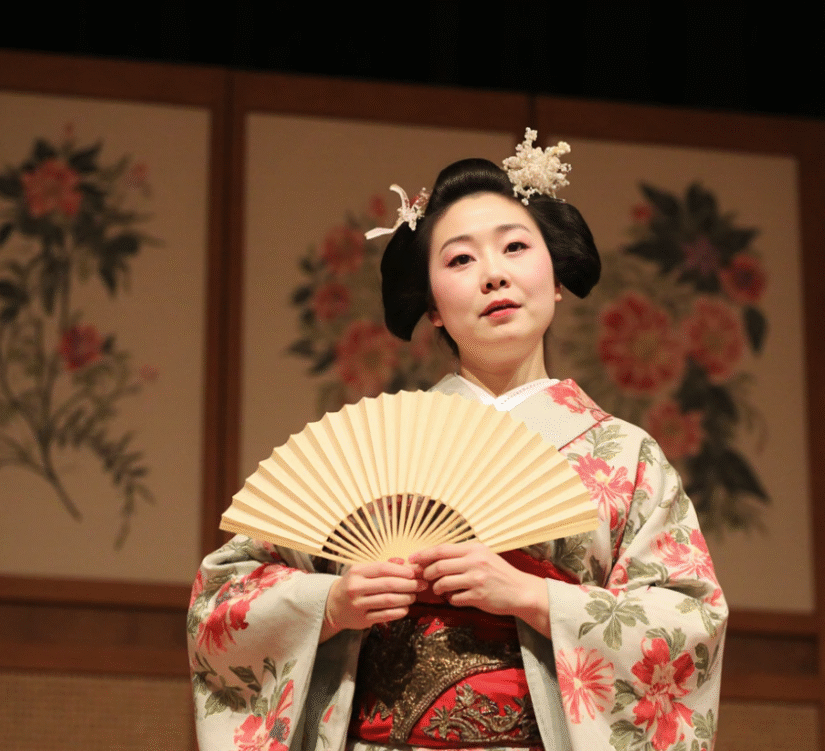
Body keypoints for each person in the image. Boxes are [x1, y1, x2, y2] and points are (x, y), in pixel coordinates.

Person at [188, 130, 727, 751]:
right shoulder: (373, 447)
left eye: (516, 247)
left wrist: (532, 596)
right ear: (435, 308)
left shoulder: (625, 456)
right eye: (460, 260)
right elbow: (222, 601)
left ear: (556, 278)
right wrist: (332, 601)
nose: (493, 274)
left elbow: (691, 619)